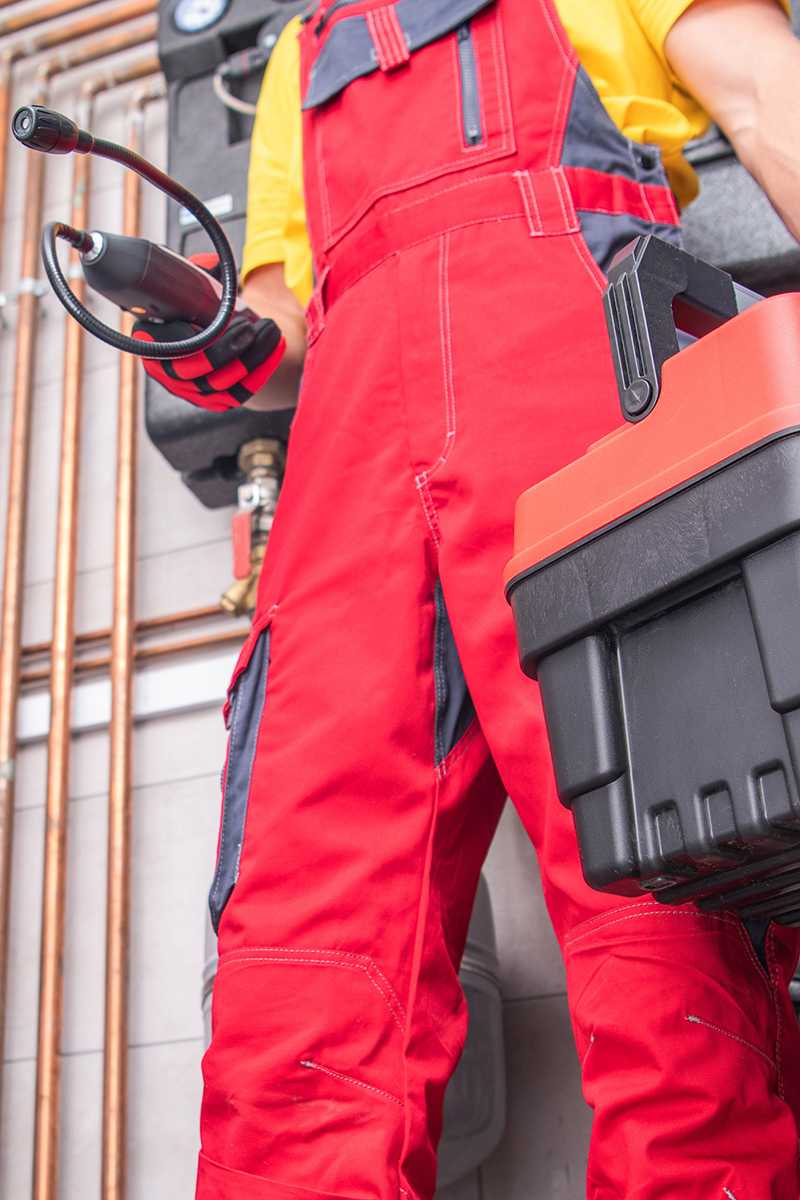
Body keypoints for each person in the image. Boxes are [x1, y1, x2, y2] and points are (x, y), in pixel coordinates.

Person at [136, 2, 800, 1196]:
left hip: (587, 388)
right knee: (302, 943)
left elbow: (765, 96)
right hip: (350, 453)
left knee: (664, 916)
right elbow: (291, 317)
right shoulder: (299, 53)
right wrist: (223, 334)